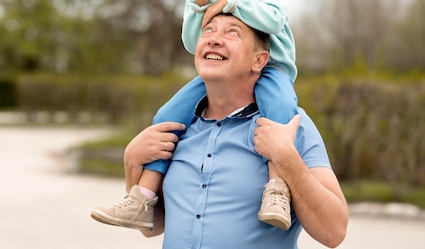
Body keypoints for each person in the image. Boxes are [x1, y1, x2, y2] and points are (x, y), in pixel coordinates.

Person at [91, 0, 298, 231]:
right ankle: (142, 197)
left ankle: (277, 190)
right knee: (167, 116)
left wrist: (231, 2)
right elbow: (192, 41)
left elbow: (274, 18)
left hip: (269, 67)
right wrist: (200, 6)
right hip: (220, 71)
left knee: (282, 108)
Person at [129, 13, 348, 248]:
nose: (214, 39)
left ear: (259, 61)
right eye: (209, 30)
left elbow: (333, 232)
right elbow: (152, 227)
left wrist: (286, 158)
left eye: (232, 32)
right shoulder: (177, 129)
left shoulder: (291, 126)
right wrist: (132, 161)